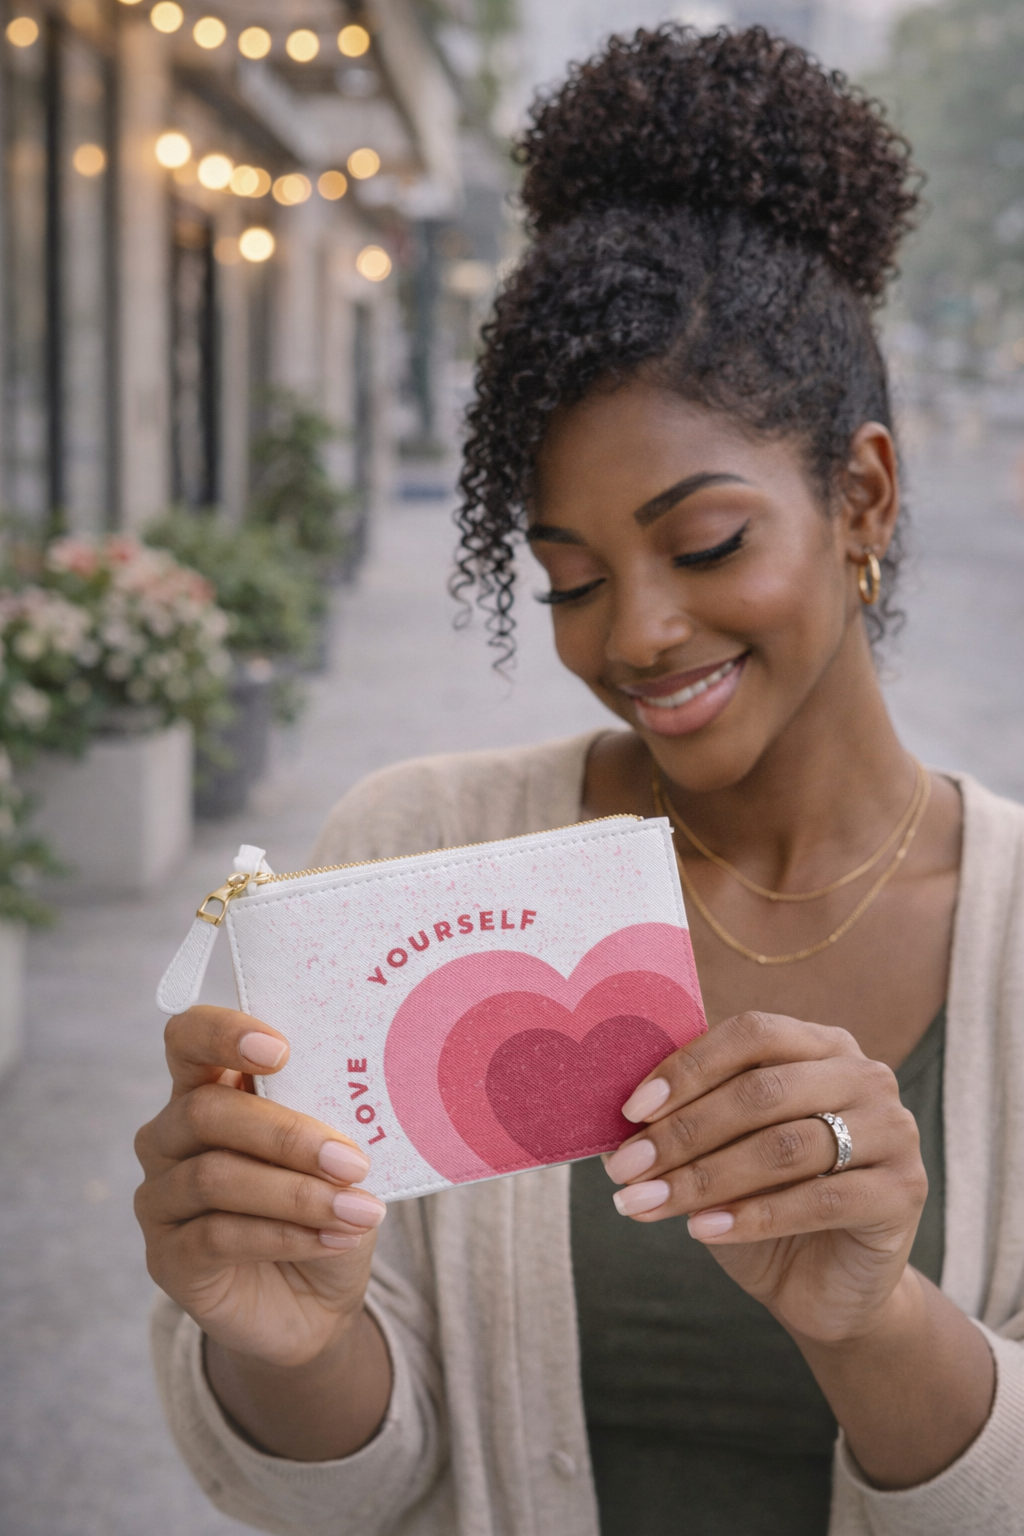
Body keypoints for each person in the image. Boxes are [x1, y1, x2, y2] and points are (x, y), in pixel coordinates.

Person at [134, 27, 1024, 1536]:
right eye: (569, 580)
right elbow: (361, 1481)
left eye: (708, 543)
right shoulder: (413, 851)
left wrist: (874, 1320)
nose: (639, 633)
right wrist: (284, 1333)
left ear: (862, 492)